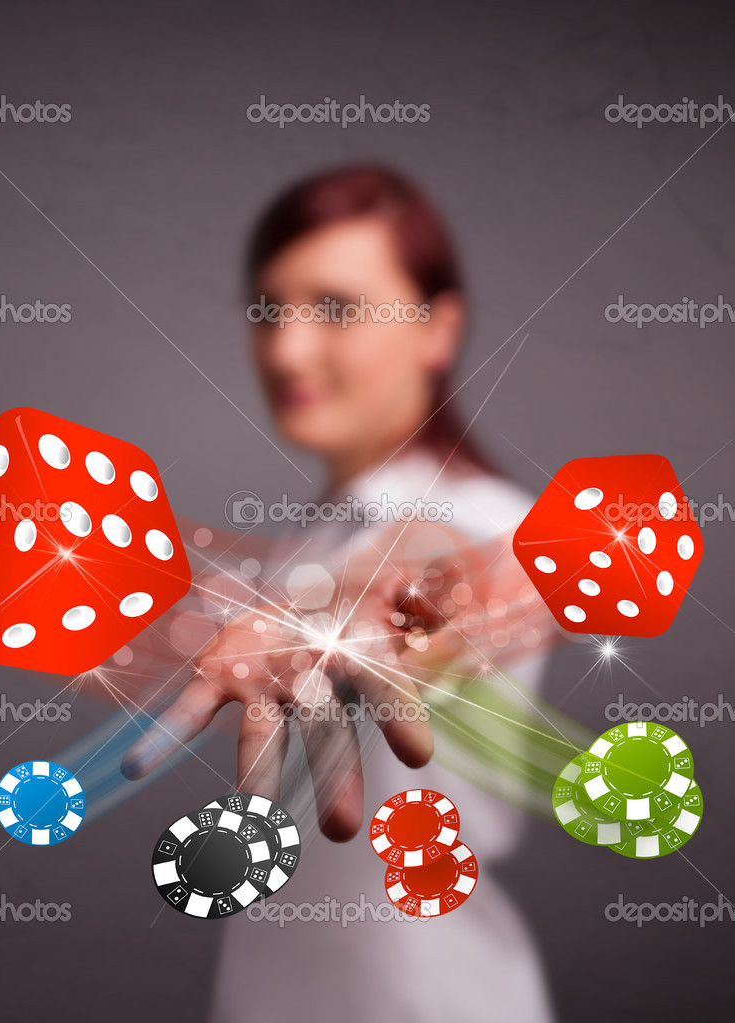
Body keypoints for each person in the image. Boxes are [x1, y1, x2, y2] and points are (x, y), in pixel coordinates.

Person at [118, 166, 561, 1022]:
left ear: (438, 329)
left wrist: (369, 605)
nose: (285, 348)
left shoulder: (496, 523)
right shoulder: (314, 531)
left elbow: (442, 568)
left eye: (336, 308)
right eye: (268, 309)